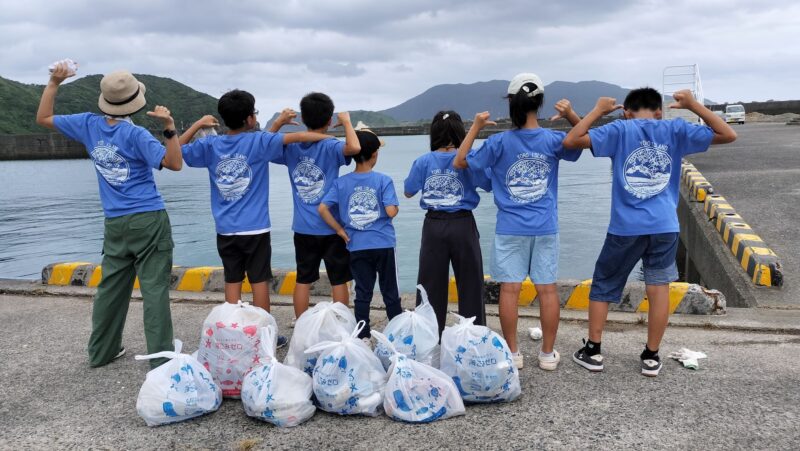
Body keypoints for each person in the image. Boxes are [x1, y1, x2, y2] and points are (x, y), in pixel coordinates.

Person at [562, 88, 737, 376]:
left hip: (625, 228)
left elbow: (573, 140)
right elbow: (728, 134)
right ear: (659, 112)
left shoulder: (619, 129)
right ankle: (652, 356)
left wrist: (596, 111)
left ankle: (593, 351)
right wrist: (694, 106)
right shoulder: (675, 129)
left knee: (603, 286)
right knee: (659, 291)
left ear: (626, 112)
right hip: (665, 226)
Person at [36, 63, 183, 368]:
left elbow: (44, 118)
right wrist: (169, 127)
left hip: (114, 222)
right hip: (148, 218)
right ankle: (161, 360)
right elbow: (174, 163)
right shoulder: (137, 134)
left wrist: (54, 82)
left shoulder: (89, 125)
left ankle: (102, 352)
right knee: (154, 289)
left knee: (111, 288)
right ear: (136, 102)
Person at [179, 89, 330, 347]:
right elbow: (298, 137)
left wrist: (198, 125)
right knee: (260, 281)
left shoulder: (209, 145)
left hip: (225, 229)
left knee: (232, 280)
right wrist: (321, 135)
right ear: (250, 118)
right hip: (256, 228)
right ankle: (265, 337)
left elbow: (176, 149)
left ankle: (230, 332)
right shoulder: (258, 142)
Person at [454, 73, 583, 370]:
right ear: (539, 103)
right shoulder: (553, 140)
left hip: (510, 228)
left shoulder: (498, 142)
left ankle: (513, 353)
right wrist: (571, 115)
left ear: (511, 103)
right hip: (546, 226)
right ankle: (548, 355)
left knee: (509, 290)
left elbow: (461, 162)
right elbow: (583, 141)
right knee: (547, 289)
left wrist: (474, 127)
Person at [271, 92, 360, 323]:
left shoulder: (291, 148)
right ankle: (341, 324)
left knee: (303, 279)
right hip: (332, 227)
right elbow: (354, 148)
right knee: (338, 279)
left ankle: (301, 323)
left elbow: (263, 145)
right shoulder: (331, 145)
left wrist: (278, 123)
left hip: (303, 228)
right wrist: (348, 122)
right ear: (329, 120)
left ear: (303, 118)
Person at [403, 111, 491, 335]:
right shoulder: (467, 159)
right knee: (471, 283)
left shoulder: (423, 161)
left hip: (433, 225)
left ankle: (428, 337)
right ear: (460, 132)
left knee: (430, 285)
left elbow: (408, 191)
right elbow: (488, 184)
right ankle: (474, 335)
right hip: (463, 223)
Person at [318, 130, 400, 345]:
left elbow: (323, 208)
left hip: (356, 245)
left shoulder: (341, 183)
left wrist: (339, 230)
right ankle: (396, 332)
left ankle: (362, 336)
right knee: (390, 290)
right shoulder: (383, 180)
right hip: (383, 244)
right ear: (374, 154)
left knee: (362, 292)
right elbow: (391, 211)